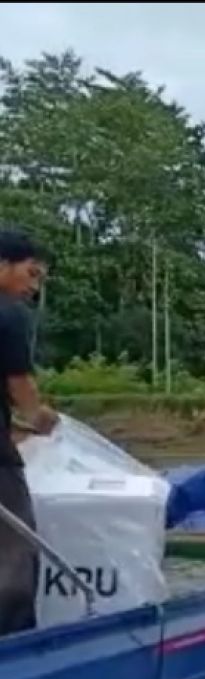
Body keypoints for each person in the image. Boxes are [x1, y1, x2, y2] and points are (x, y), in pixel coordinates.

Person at [0, 229, 58, 637]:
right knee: (15, 551)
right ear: (2, 266)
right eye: (31, 274)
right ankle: (14, 645)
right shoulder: (8, 312)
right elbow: (18, 381)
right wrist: (37, 417)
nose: (32, 286)